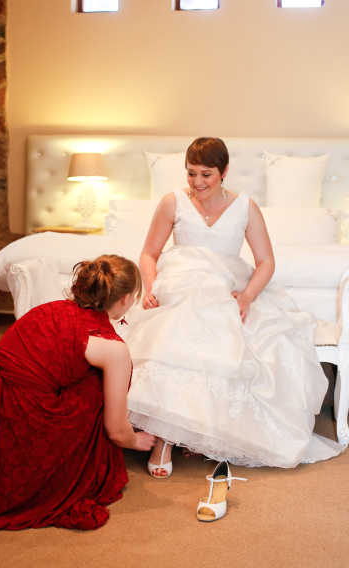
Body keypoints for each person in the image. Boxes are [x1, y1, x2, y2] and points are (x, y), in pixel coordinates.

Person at [124, 137, 343, 478]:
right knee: (174, 329)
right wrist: (151, 287)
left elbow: (266, 262)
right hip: (179, 282)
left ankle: (197, 430)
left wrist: (247, 297)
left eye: (206, 175)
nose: (197, 182)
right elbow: (149, 253)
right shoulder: (172, 202)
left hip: (226, 285)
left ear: (224, 172)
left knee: (229, 337)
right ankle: (164, 439)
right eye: (191, 173)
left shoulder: (245, 207)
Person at [0, 255, 155, 531]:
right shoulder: (112, 349)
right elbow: (116, 431)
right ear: (127, 299)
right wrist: (136, 441)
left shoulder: (50, 308)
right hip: (19, 418)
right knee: (96, 385)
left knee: (88, 373)